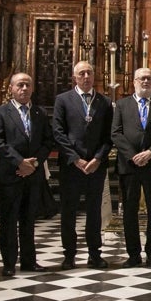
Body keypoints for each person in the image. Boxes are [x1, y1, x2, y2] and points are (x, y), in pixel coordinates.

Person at [0, 72, 55, 277]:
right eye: (20, 85)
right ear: (11, 88)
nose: (24, 89)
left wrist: (34, 163)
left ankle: (29, 261)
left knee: (29, 219)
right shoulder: (0, 112)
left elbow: (48, 141)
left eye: (28, 85)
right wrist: (19, 162)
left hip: (33, 173)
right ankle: (9, 262)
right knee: (9, 220)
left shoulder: (39, 113)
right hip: (11, 173)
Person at [112, 67, 151, 268]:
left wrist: (150, 153)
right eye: (141, 78)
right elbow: (116, 133)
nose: (145, 82)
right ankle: (133, 254)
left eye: (148, 78)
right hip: (129, 166)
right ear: (134, 82)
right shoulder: (122, 105)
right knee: (129, 210)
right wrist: (133, 155)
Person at [53, 61, 113, 270]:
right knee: (68, 211)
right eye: (82, 73)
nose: (86, 76)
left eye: (89, 72)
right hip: (72, 166)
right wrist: (76, 159)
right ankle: (69, 255)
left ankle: (94, 254)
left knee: (94, 212)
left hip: (96, 166)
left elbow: (109, 135)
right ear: (74, 77)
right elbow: (58, 133)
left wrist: (97, 159)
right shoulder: (63, 100)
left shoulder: (104, 102)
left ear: (94, 75)